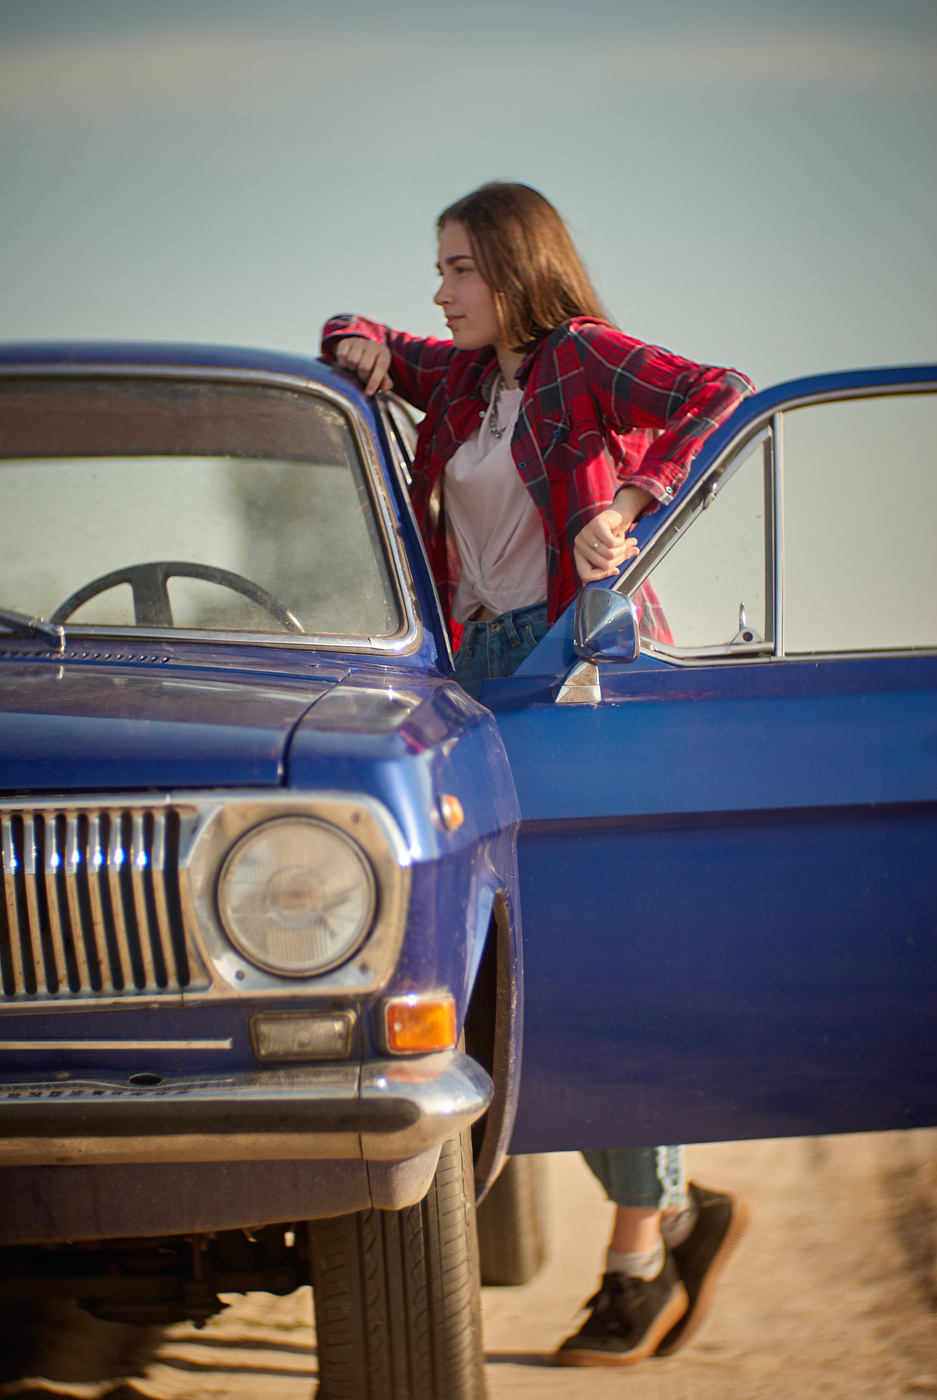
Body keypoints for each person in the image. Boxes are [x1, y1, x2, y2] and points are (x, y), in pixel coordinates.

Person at [321, 181, 753, 1368]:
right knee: (528, 977)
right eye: (440, 268)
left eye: (458, 267)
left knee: (600, 958)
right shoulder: (459, 378)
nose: (440, 290)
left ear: (514, 268)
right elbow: (354, 336)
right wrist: (356, 345)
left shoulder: (582, 359)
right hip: (475, 678)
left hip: (577, 669)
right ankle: (666, 1210)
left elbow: (723, 396)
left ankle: (638, 1251)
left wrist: (625, 501)